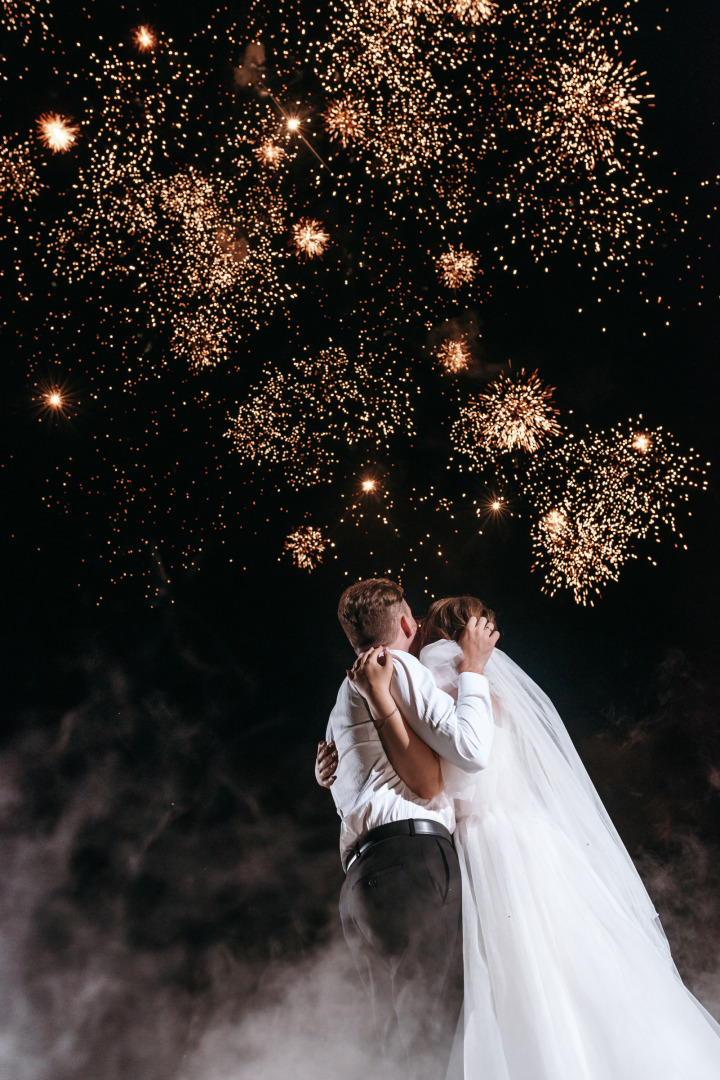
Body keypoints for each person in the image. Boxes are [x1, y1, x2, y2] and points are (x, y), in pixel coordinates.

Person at [317, 594, 720, 1080]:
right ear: (406, 622)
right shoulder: (442, 679)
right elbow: (436, 766)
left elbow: (450, 762)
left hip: (467, 847)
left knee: (464, 1001)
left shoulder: (432, 675)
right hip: (494, 844)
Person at [324, 579, 499, 1080]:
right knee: (433, 1034)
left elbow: (344, 776)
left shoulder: (341, 699)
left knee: (393, 1046)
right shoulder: (400, 667)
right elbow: (470, 748)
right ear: (405, 624)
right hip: (411, 862)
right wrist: (474, 671)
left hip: (359, 882)